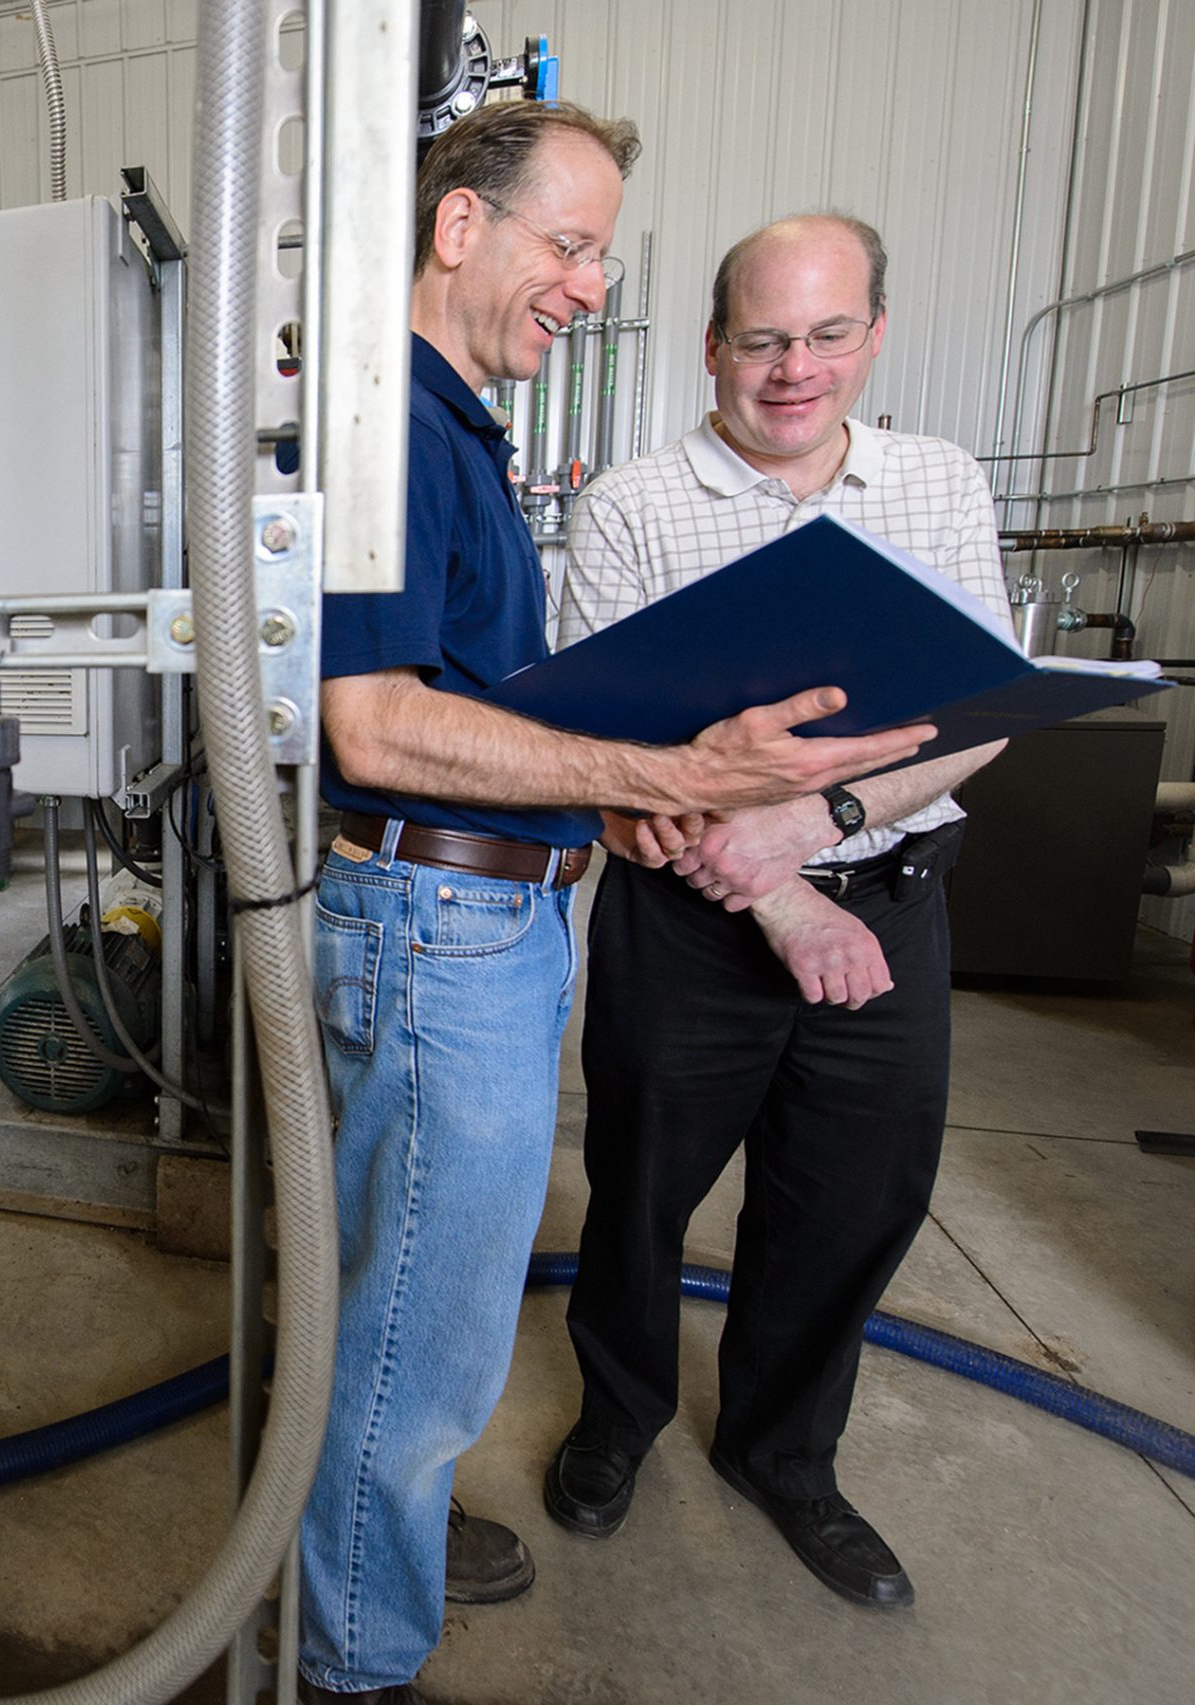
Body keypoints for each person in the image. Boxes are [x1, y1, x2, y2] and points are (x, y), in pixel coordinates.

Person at [299, 109, 937, 1704]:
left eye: (602, 252)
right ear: (459, 227)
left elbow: (465, 695)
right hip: (435, 925)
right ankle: (354, 1654)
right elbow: (372, 723)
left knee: (421, 1315)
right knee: (419, 1341)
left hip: (486, 919)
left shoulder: (452, 428)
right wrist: (674, 764)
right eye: (569, 244)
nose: (590, 284)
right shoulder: (385, 425)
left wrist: (634, 778)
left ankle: (379, 1540)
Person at [543, 213, 1008, 1610]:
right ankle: (619, 1418)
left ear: (874, 335)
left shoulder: (938, 486)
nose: (793, 369)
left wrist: (823, 825)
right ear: (711, 347)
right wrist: (786, 901)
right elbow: (618, 763)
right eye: (761, 339)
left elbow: (982, 711)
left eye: (824, 335)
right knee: (640, 1191)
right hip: (687, 923)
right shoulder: (630, 506)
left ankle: (782, 1454)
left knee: (852, 1197)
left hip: (896, 898)